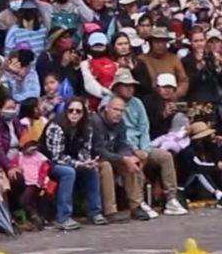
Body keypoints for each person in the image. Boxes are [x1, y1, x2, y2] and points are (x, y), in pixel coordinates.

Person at [112, 71, 188, 216]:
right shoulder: (112, 103)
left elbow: (144, 128)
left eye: (131, 85)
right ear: (117, 87)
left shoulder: (137, 102)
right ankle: (139, 202)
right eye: (125, 85)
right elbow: (120, 133)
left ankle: (171, 198)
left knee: (165, 156)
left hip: (143, 145)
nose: (129, 88)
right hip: (123, 147)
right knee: (135, 160)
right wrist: (136, 150)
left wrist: (145, 149)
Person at [42, 99, 107, 230]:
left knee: (91, 170)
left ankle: (95, 212)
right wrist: (78, 164)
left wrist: (87, 162)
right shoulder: (56, 126)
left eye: (78, 111)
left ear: (83, 113)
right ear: (66, 111)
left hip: (71, 160)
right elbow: (56, 156)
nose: (74, 114)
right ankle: (63, 217)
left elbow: (84, 150)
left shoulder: (86, 126)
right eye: (71, 110)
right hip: (48, 163)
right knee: (68, 172)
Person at [92, 95, 154, 221]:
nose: (118, 113)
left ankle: (136, 206)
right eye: (115, 109)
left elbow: (122, 144)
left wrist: (128, 157)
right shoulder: (96, 122)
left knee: (129, 164)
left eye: (121, 111)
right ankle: (110, 210)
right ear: (107, 109)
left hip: (112, 155)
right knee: (106, 166)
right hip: (94, 158)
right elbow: (98, 149)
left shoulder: (121, 123)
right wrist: (122, 158)